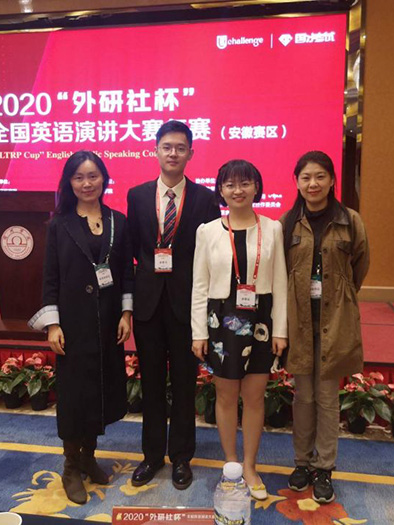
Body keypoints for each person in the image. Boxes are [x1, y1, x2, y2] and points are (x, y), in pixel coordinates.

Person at [29, 150, 134, 504]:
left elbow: (126, 272)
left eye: (93, 176)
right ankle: (71, 466)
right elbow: (50, 277)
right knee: (75, 396)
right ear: (69, 182)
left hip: (108, 322)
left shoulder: (118, 221)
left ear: (104, 178)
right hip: (73, 324)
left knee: (100, 390)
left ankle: (89, 456)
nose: (87, 183)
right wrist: (52, 324)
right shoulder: (59, 225)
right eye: (79, 177)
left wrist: (126, 313)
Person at [127, 120, 221, 490]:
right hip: (148, 304)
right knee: (151, 383)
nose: (173, 153)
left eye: (180, 148)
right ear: (155, 150)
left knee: (184, 383)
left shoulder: (204, 199)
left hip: (187, 304)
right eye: (167, 147)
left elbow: (211, 255)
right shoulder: (136, 196)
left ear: (190, 153)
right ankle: (151, 456)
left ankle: (181, 457)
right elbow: (133, 248)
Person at [191, 159, 288, 501]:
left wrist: (281, 329)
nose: (238, 190)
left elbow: (280, 283)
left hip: (261, 319)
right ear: (220, 190)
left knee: (255, 396)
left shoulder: (273, 228)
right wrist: (198, 332)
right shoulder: (207, 231)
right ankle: (231, 463)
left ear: (256, 187)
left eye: (245, 183)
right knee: (226, 395)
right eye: (230, 184)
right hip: (222, 320)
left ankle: (249, 465)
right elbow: (199, 286)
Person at [280, 151, 370, 504]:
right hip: (299, 321)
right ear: (297, 182)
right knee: (304, 396)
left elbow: (360, 265)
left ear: (332, 180)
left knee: (328, 397)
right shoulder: (288, 222)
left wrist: (340, 295)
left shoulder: (350, 221)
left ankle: (324, 467)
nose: (313, 183)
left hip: (336, 319)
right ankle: (302, 463)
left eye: (320, 176)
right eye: (305, 177)